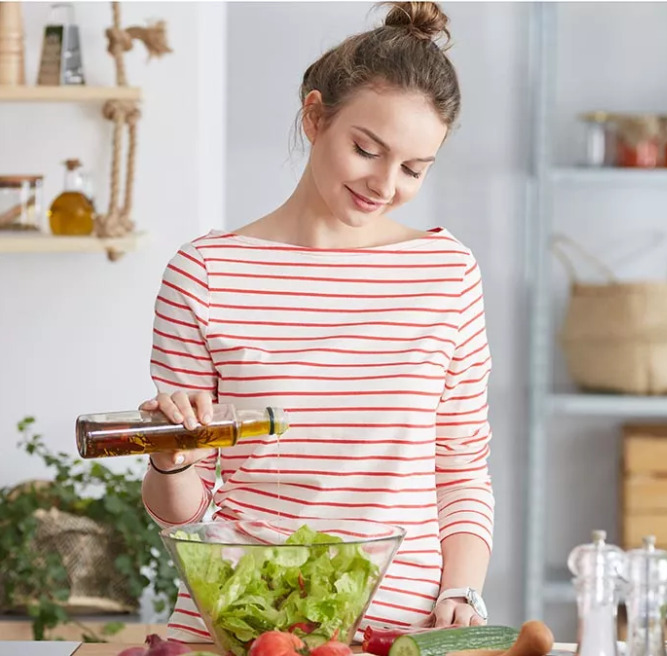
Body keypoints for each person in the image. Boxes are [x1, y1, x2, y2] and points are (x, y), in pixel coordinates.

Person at [139, 1, 494, 644]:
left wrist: (460, 591)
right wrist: (169, 457)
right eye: (367, 149)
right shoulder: (207, 274)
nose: (385, 184)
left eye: (414, 169)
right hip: (247, 627)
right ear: (314, 115)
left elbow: (462, 467)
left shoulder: (447, 272)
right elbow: (189, 518)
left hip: (398, 634)